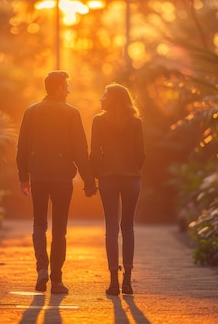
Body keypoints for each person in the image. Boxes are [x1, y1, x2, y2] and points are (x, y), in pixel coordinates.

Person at [16, 70, 97, 294]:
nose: (69, 90)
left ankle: (42, 268)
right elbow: (80, 150)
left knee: (39, 223)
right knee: (59, 229)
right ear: (59, 88)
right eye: (67, 86)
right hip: (62, 178)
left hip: (39, 175)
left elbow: (21, 148)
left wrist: (24, 177)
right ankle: (57, 280)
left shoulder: (31, 111)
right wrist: (89, 182)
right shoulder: (71, 113)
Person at [90, 83, 145, 296]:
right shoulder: (136, 122)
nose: (101, 97)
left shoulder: (99, 121)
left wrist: (97, 174)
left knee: (111, 228)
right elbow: (141, 154)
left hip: (108, 179)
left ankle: (113, 281)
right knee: (128, 227)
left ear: (111, 98)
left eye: (104, 93)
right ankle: (128, 282)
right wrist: (131, 169)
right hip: (132, 179)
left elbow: (94, 153)